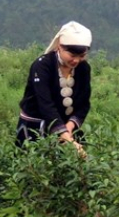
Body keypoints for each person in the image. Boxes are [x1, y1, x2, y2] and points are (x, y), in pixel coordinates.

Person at [16, 21, 92, 156]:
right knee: (33, 166)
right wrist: (67, 138)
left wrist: (68, 129)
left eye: (81, 56)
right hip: (34, 127)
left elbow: (84, 103)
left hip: (66, 126)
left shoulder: (83, 68)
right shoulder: (42, 66)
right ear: (59, 47)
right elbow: (45, 104)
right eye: (72, 55)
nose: (76, 60)